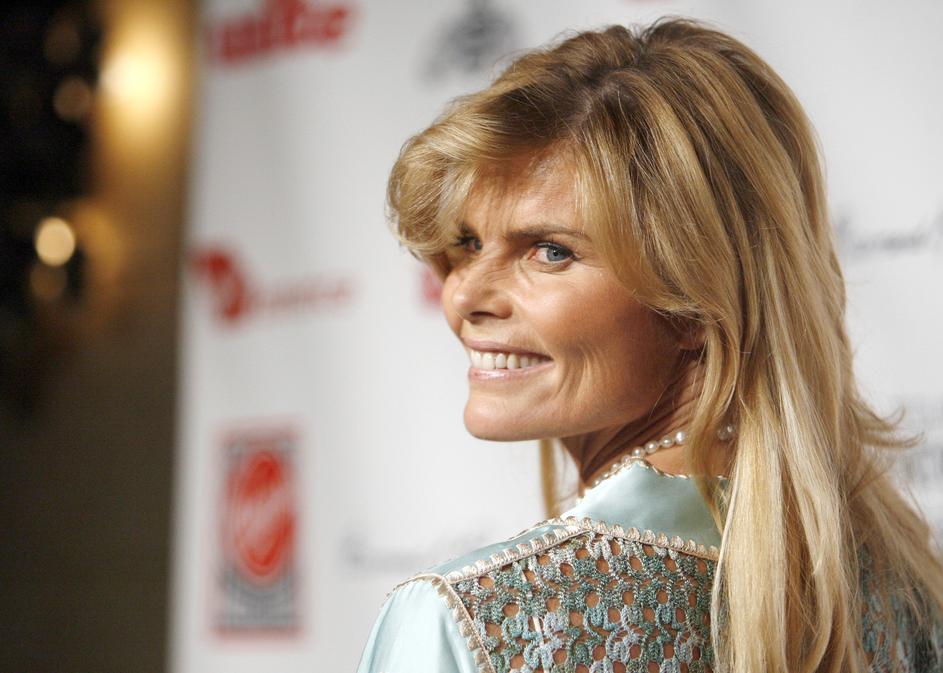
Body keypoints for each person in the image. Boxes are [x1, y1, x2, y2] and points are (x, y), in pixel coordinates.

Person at [356, 16, 943, 673]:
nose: (464, 294)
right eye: (467, 243)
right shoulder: (906, 597)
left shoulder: (467, 623)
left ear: (696, 301)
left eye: (550, 251)